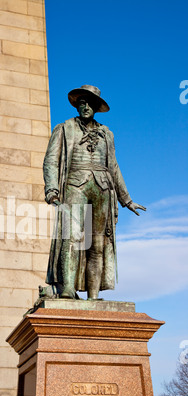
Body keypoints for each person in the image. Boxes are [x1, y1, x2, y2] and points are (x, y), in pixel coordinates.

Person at [43, 85, 146, 300]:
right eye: (82, 102)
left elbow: (114, 167)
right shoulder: (64, 129)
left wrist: (127, 200)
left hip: (103, 190)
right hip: (75, 186)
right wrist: (52, 189)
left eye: (90, 103)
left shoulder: (107, 134)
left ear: (97, 107)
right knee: (71, 238)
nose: (85, 106)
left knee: (97, 244)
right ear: (77, 105)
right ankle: (68, 288)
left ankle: (93, 294)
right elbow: (51, 161)